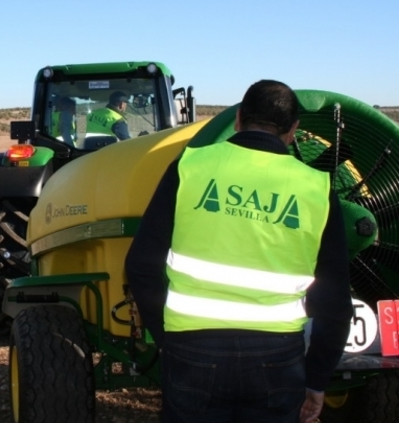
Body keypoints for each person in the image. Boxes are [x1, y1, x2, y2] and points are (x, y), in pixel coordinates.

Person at [124, 80, 353, 423]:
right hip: (278, 359)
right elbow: (335, 303)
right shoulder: (316, 188)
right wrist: (318, 379)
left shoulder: (189, 167)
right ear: (293, 131)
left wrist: (166, 337)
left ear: (238, 118)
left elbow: (141, 266)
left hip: (192, 348)